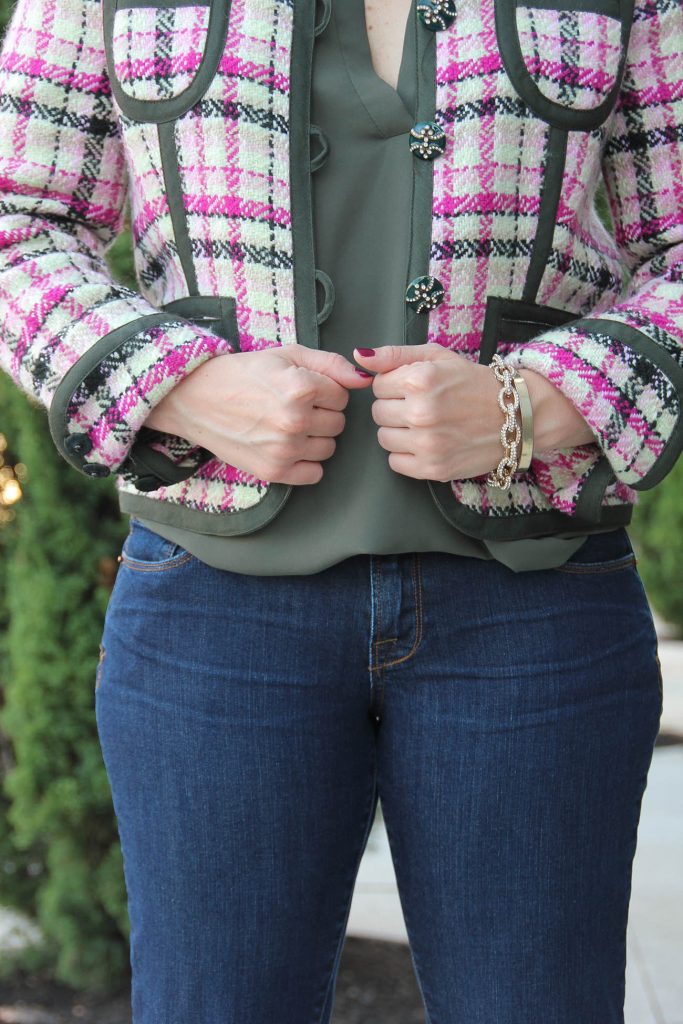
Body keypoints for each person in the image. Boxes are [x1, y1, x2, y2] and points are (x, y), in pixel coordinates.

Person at [0, 0, 678, 1019]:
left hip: (536, 611)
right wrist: (179, 387)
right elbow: (18, 221)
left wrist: (531, 403)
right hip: (210, 612)